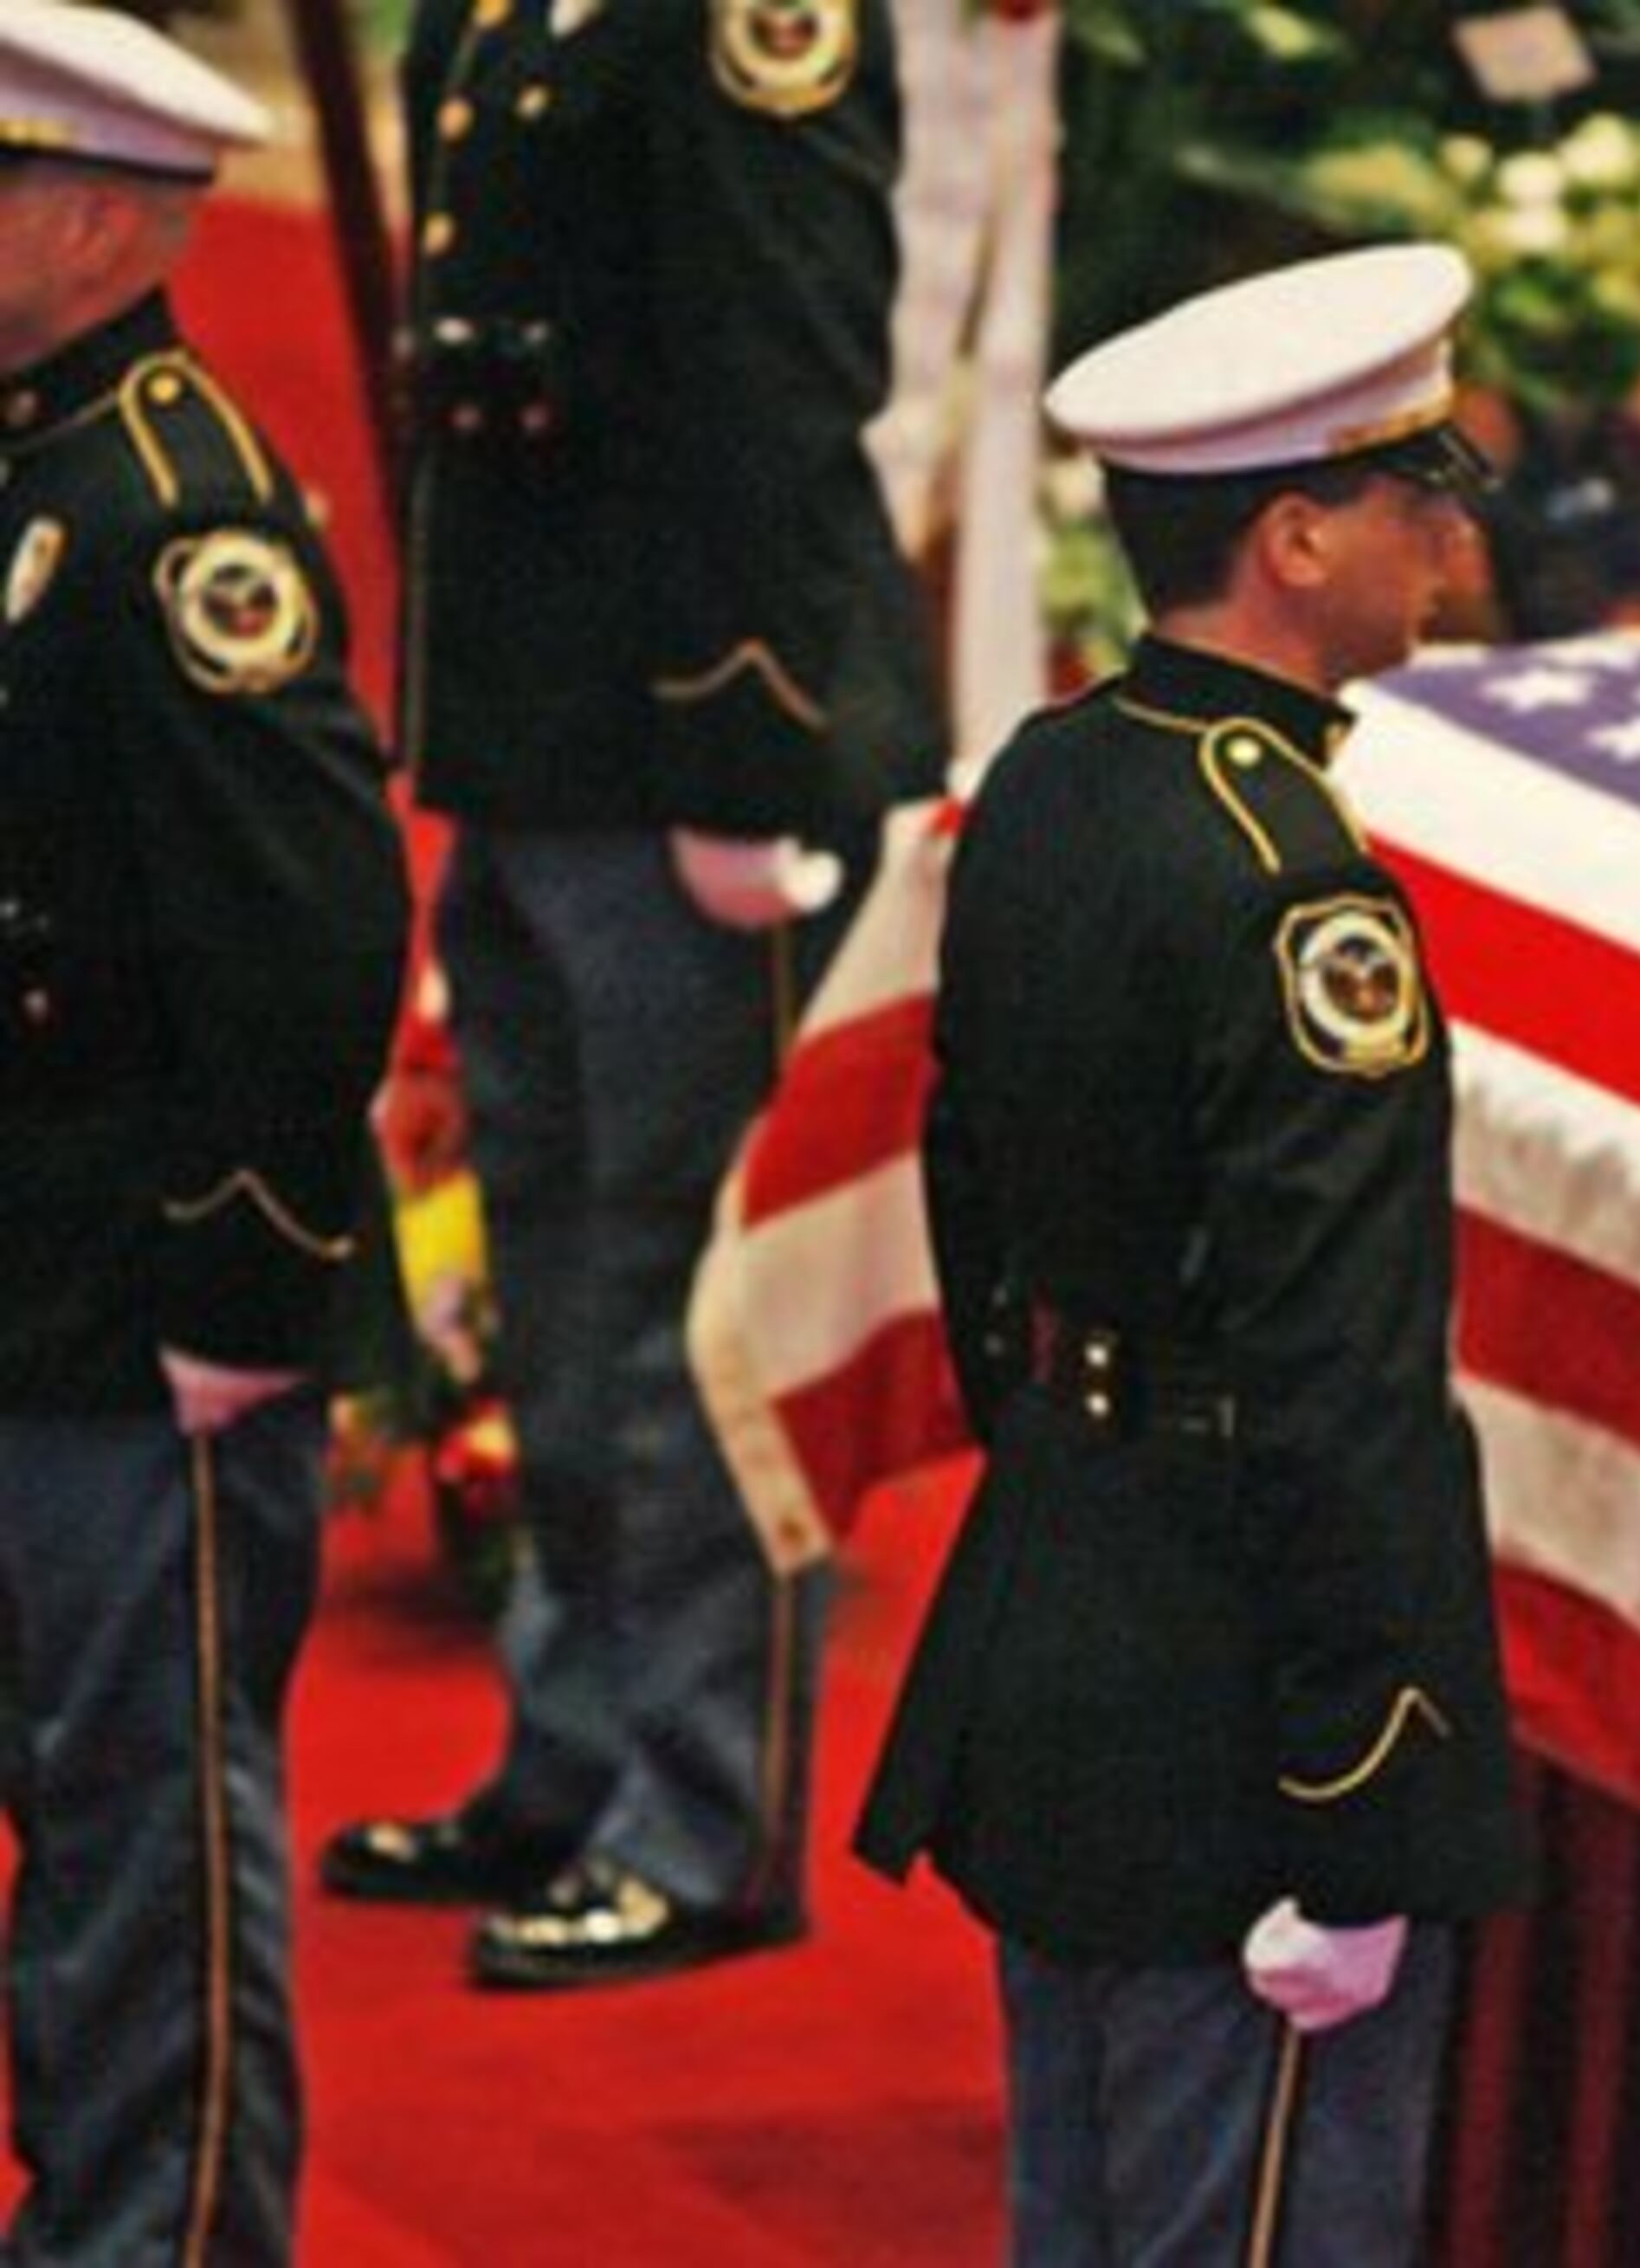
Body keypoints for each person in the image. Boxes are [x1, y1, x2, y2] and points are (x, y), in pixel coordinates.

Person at [855, 242, 1533, 2266]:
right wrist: (1355, 1793)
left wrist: (1085, 1445)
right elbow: (1340, 1374)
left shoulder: (1059, 777)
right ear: (1295, 536)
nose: (1442, 541)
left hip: (1073, 1613)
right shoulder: (1299, 896)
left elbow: (970, 1181)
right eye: (1411, 498)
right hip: (1243, 1707)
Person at [315, 0, 944, 1985]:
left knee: (686, 1300)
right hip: (532, 727)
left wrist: (746, 750)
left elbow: (788, 355)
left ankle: (703, 1810)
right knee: (559, 1273)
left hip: (688, 743)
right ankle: (570, 1743)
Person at [0, 4, 410, 2254]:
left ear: (84, 219)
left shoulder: (178, 521)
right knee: (73, 1797)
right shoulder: (38, 459)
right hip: (35, 1258)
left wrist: (242, 1288)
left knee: (153, 1834)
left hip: (147, 1304)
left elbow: (315, 929)